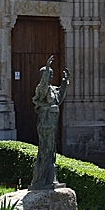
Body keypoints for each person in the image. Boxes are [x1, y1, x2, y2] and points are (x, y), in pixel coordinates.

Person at [30, 57, 69, 190]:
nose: (51, 76)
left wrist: (65, 82)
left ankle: (51, 179)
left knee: (51, 149)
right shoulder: (42, 89)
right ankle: (42, 179)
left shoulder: (53, 89)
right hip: (45, 121)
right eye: (48, 74)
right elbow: (42, 88)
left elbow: (59, 98)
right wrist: (47, 68)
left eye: (51, 74)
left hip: (53, 121)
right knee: (45, 149)